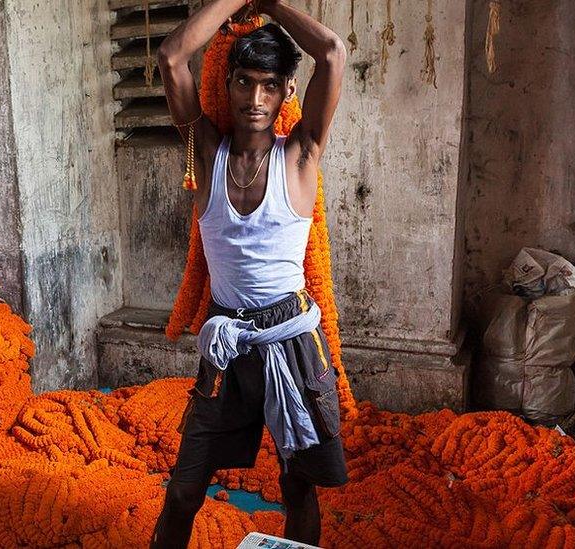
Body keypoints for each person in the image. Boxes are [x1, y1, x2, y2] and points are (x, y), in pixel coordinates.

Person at [152, 1, 348, 547]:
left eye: (269, 85)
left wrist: (269, 5)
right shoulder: (205, 148)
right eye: (244, 82)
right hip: (228, 340)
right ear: (229, 85)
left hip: (292, 340)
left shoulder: (302, 156)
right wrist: (234, 2)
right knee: (184, 490)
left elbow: (332, 52)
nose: (255, 99)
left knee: (298, 490)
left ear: (288, 91)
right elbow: (171, 57)